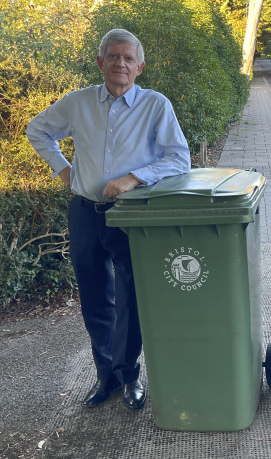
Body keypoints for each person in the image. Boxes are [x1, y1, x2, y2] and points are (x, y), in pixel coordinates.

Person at [27, 29, 191, 411]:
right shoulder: (78, 102)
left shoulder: (155, 106)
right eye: (113, 57)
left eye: (128, 58)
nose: (121, 64)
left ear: (140, 67)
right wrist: (63, 170)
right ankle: (106, 377)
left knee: (131, 300)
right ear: (100, 62)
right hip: (84, 213)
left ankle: (128, 373)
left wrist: (134, 178)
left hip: (131, 217)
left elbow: (178, 158)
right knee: (95, 298)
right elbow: (38, 130)